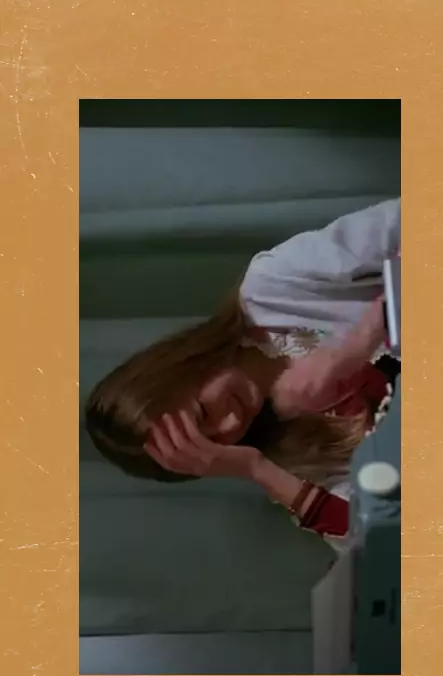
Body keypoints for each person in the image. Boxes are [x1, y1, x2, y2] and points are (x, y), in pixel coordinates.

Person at [85, 199, 401, 553]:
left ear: (184, 364)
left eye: (204, 412)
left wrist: (352, 349)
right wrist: (257, 468)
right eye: (218, 444)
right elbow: (389, 540)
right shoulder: (293, 462)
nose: (232, 424)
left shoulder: (272, 289)